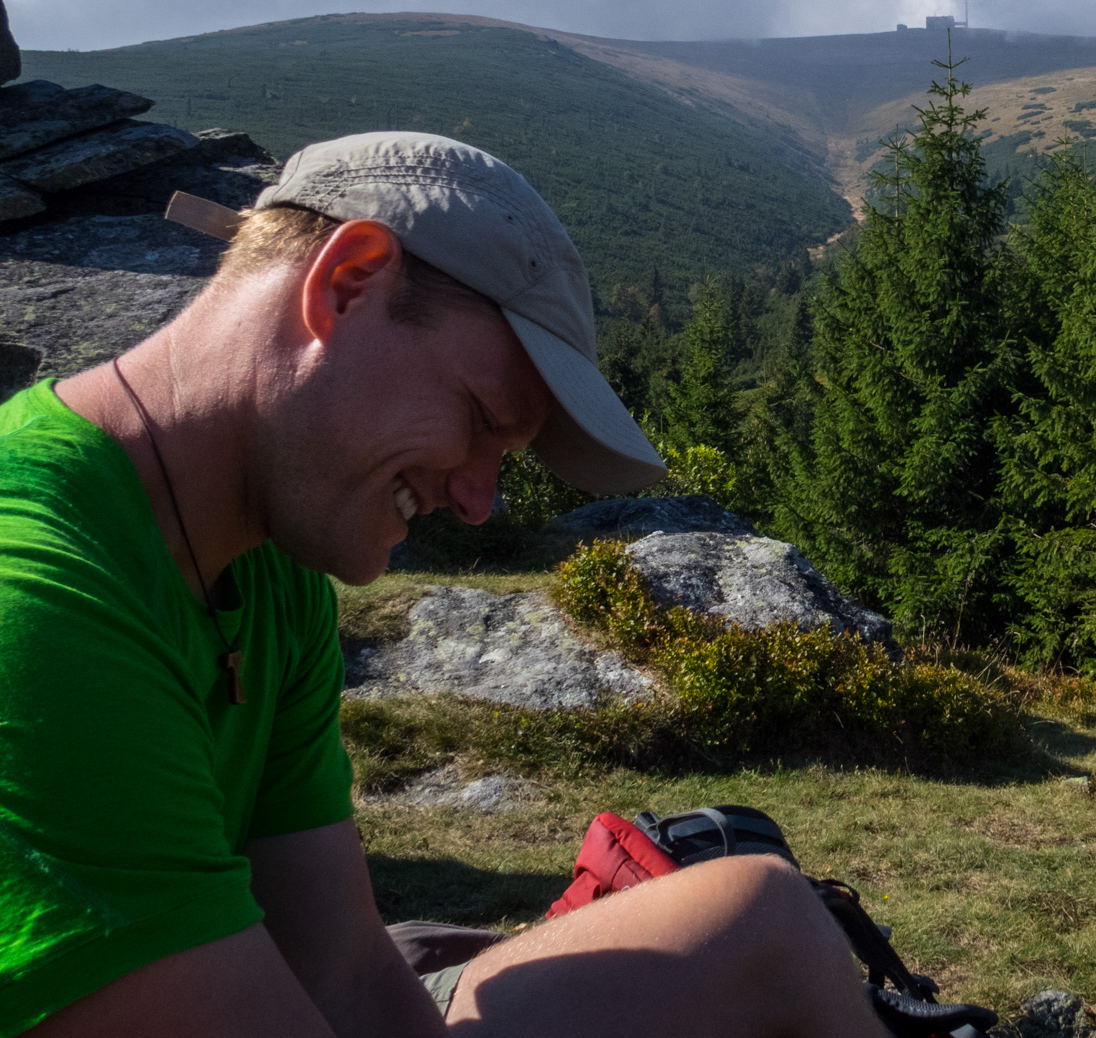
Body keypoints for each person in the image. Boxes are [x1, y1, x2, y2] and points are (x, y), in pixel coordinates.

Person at [0, 132, 893, 1037]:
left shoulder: (268, 570)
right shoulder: (35, 601)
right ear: (346, 283)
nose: (477, 501)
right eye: (477, 418)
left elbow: (344, 968)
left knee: (764, 910)